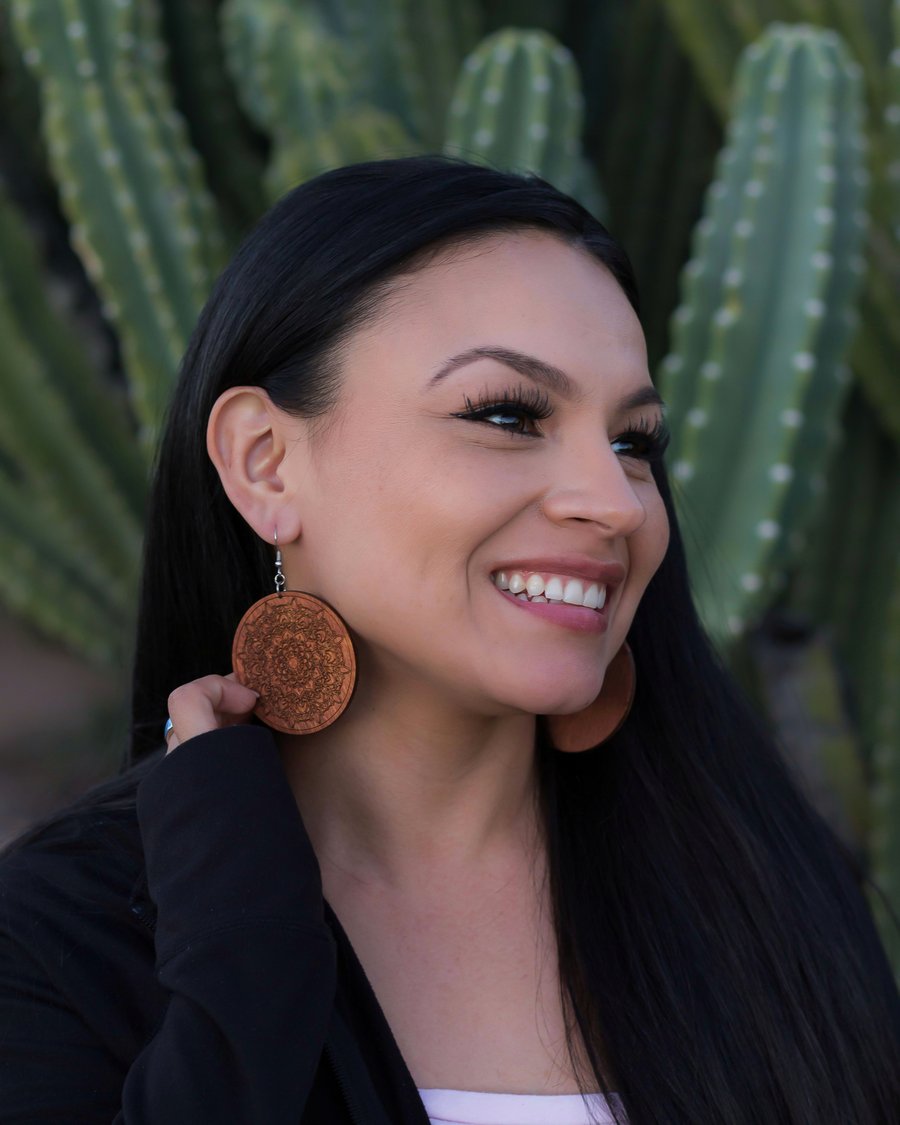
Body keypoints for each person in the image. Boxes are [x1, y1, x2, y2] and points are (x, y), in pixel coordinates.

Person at [0, 156, 897, 1125]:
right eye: (507, 415)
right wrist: (243, 945)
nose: (613, 502)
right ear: (265, 465)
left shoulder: (761, 895)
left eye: (634, 442)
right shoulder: (60, 943)